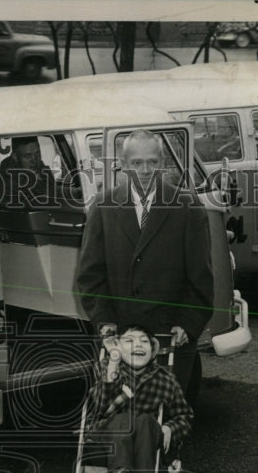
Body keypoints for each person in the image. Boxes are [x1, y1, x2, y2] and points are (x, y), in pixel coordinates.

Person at [75, 129, 214, 394]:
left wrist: (187, 323)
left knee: (162, 424)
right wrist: (105, 322)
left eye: (152, 162)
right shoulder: (103, 207)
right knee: (121, 419)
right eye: (137, 163)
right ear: (124, 166)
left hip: (170, 338)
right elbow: (90, 276)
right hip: (120, 337)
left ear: (162, 164)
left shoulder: (187, 207)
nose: (145, 170)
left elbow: (202, 280)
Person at [85, 325, 192, 473]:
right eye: (129, 341)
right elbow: (101, 406)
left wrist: (169, 428)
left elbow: (184, 416)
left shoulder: (164, 380)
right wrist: (114, 362)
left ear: (152, 352)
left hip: (144, 436)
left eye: (144, 342)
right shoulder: (107, 368)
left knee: (147, 421)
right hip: (107, 431)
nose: (138, 345)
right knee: (124, 419)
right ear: (117, 347)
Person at [0, 136, 57, 210]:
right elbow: (43, 202)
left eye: (37, 154)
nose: (34, 160)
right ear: (15, 157)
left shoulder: (40, 170)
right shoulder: (8, 182)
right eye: (28, 156)